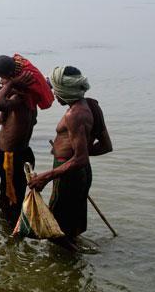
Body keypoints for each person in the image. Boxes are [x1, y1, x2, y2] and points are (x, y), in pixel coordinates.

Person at [28, 66, 101, 239]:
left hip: (70, 176)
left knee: (58, 227)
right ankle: (74, 260)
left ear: (65, 92)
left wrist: (46, 176)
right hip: (80, 172)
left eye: (55, 90)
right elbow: (105, 146)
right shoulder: (91, 104)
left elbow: (81, 158)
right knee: (71, 222)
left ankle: (64, 259)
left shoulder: (75, 115)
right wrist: (77, 150)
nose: (53, 94)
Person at [0, 56, 40, 224]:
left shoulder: (20, 98)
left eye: (2, 82)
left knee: (11, 196)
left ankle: (12, 228)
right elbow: (8, 119)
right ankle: (10, 224)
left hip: (13, 156)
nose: (0, 86)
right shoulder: (21, 99)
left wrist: (10, 85)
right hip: (16, 153)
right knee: (8, 192)